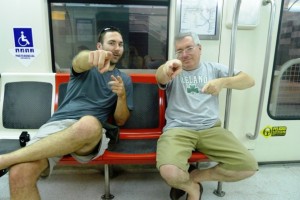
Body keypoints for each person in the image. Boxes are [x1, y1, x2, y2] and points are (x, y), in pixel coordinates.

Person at [0, 26, 133, 199]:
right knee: (19, 173)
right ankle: (11, 162)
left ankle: (5, 159)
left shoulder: (124, 79)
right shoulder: (84, 69)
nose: (116, 48)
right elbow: (79, 61)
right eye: (112, 43)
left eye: (120, 44)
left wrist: (121, 96)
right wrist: (91, 57)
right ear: (99, 46)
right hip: (57, 126)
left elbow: (121, 121)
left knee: (88, 123)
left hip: (89, 135)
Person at [155, 32, 258, 200]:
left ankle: (195, 177)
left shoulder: (214, 69)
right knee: (169, 172)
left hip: (211, 129)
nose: (185, 54)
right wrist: (167, 66)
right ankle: (193, 189)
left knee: (248, 167)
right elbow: (160, 76)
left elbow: (248, 80)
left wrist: (222, 82)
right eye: (179, 51)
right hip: (178, 128)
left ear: (200, 48)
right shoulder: (173, 70)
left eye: (189, 48)